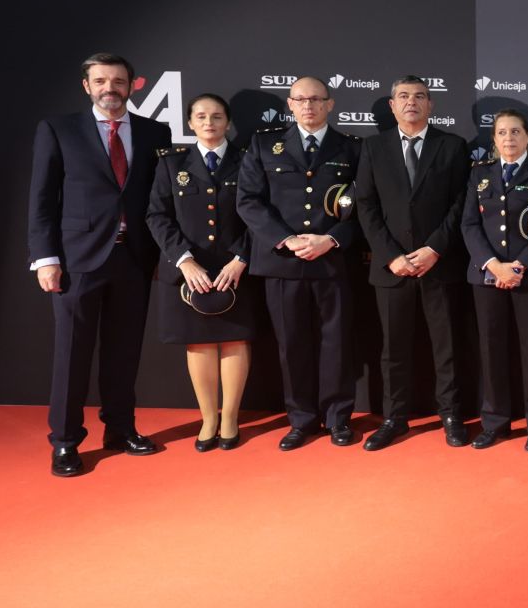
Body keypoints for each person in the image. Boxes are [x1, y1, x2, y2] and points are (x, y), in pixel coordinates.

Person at [28, 52, 171, 477]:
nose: (111, 89)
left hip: (134, 257)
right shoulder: (58, 129)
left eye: (119, 81)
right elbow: (41, 199)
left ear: (132, 86)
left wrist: (161, 255)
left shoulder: (155, 132)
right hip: (77, 261)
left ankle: (120, 429)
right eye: (102, 81)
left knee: (123, 352)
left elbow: (159, 200)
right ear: (87, 86)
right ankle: (65, 441)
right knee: (72, 354)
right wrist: (45, 258)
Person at [236, 76, 363, 450]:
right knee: (291, 345)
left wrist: (332, 239)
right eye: (301, 99)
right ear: (290, 105)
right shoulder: (264, 145)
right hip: (282, 263)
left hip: (332, 261)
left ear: (330, 104)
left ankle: (338, 418)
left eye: (316, 99)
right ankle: (302, 420)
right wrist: (286, 239)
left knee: (336, 343)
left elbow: (366, 206)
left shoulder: (353, 148)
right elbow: (248, 201)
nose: (308, 106)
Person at [352, 75, 470, 452]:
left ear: (430, 104)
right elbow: (366, 206)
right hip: (393, 268)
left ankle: (451, 415)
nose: (411, 102)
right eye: (403, 96)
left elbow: (461, 204)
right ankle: (394, 418)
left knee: (447, 347)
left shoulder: (453, 146)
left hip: (440, 265)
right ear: (392, 105)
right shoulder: (373, 148)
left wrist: (435, 248)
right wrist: (391, 256)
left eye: (419, 96)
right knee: (393, 349)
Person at [145, 93, 261, 451]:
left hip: (235, 269)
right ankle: (209, 417)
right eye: (200, 117)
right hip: (188, 271)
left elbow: (261, 214)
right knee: (199, 342)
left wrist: (241, 258)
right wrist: (184, 260)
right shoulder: (171, 163)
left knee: (235, 340)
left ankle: (230, 418)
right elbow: (157, 216)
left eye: (216, 116)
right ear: (190, 123)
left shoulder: (248, 160)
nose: (209, 123)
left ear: (228, 122)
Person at [461, 108, 528, 451]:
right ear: (494, 138)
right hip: (487, 278)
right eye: (502, 132)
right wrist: (494, 266)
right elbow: (469, 225)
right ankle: (495, 422)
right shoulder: (479, 174)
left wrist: (520, 266)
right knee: (492, 351)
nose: (509, 138)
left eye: (515, 132)